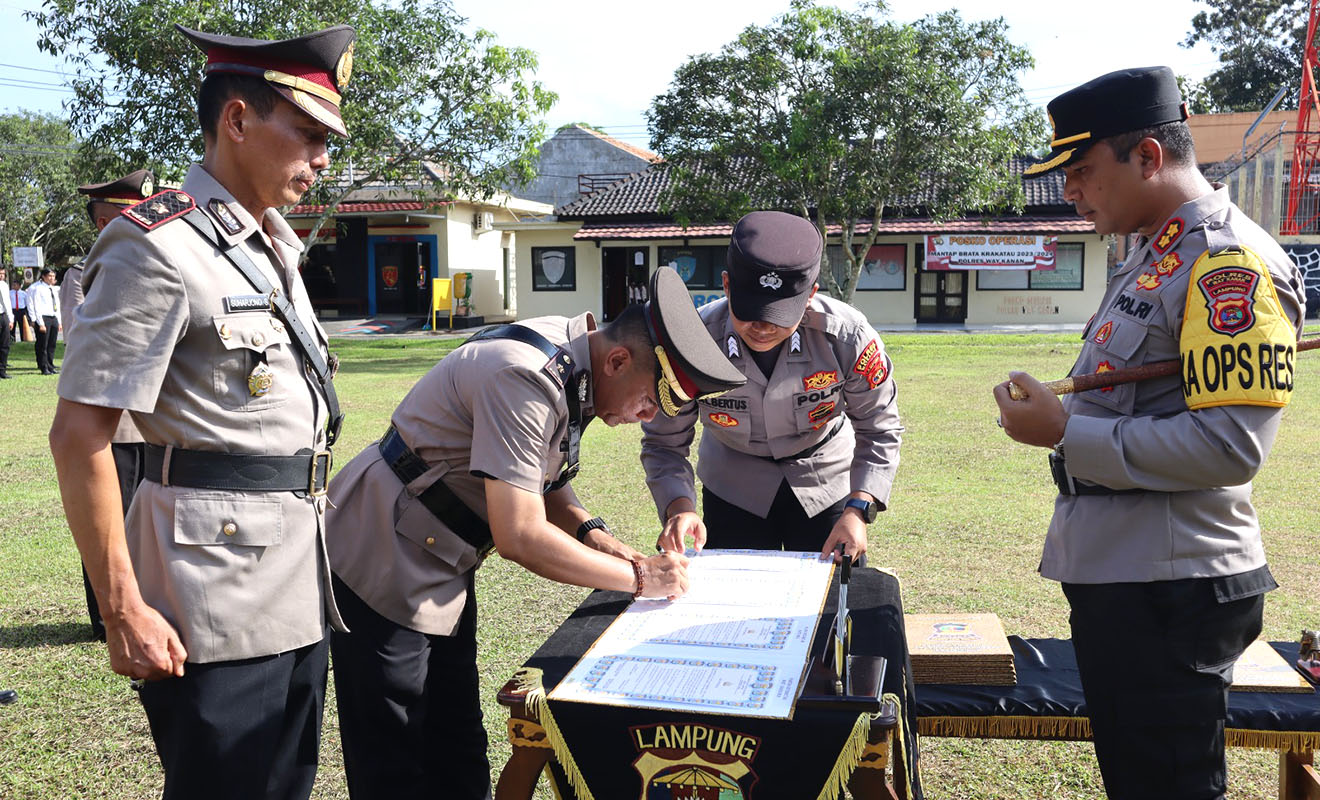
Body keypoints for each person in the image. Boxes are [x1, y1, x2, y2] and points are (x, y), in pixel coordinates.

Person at [49, 22, 356, 800]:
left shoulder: (270, 246)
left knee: (284, 786)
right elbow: (80, 433)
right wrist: (120, 607)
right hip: (210, 596)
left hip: (295, 580)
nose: (323, 158)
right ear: (238, 120)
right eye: (310, 133)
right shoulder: (156, 246)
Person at [993, 66, 1305, 800]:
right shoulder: (1154, 248)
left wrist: (1066, 430)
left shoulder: (1226, 261)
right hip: (1132, 573)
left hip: (1172, 585)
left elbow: (1232, 447)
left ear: (1148, 157)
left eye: (1082, 169)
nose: (1069, 189)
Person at [325, 266, 745, 800]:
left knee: (457, 742)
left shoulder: (575, 360)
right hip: (379, 553)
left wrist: (597, 536)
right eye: (649, 400)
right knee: (397, 751)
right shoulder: (525, 376)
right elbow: (520, 534)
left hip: (438, 553)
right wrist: (639, 577)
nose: (644, 417)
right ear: (618, 360)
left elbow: (537, 478)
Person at [641, 210, 902, 562]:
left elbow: (879, 427)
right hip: (733, 488)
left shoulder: (847, 337)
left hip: (825, 483)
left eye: (779, 315)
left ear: (811, 294)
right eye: (750, 309)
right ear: (727, 285)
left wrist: (858, 510)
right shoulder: (691, 344)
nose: (762, 327)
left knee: (830, 606)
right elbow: (663, 442)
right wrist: (680, 507)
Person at [59, 169, 156, 641]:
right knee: (106, 517)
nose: (144, 219)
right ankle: (106, 614)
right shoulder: (81, 275)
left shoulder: (156, 265)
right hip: (111, 425)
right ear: (104, 224)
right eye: (130, 213)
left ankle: (145, 601)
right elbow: (85, 341)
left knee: (148, 516)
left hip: (154, 420)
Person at [28, 268, 60, 375]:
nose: (52, 278)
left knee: (52, 344)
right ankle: (44, 366)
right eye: (49, 276)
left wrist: (59, 321)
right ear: (43, 276)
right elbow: (36, 306)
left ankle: (50, 365)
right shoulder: (38, 288)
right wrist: (40, 323)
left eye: (53, 276)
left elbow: (57, 305)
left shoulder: (53, 289)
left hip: (53, 317)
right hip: (43, 317)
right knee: (43, 345)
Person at [0, 270, 12, 379]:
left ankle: (2, 370)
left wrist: (10, 319)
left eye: (3, 274)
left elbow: (7, 302)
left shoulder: (4, 285)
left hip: (3, 315)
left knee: (5, 344)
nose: (1, 276)